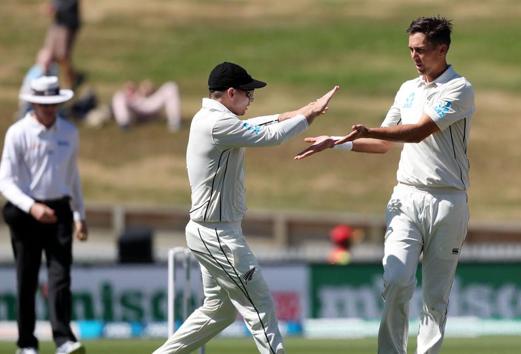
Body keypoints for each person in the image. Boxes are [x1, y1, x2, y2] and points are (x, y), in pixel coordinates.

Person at [295, 16, 475, 354]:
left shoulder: (459, 88)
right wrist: (337, 141)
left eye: (421, 50)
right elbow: (382, 144)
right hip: (406, 195)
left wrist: (369, 131)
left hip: (448, 200)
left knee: (436, 297)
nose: (414, 56)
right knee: (396, 281)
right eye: (410, 49)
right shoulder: (407, 90)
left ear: (443, 48)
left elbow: (419, 131)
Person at [152, 62, 338, 354]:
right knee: (260, 307)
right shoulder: (217, 123)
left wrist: (302, 110)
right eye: (248, 93)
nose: (251, 99)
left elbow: (258, 125)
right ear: (230, 93)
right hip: (217, 235)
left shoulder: (211, 118)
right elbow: (269, 136)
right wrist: (311, 114)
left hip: (209, 231)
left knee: (220, 311)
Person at [0, 76, 89, 354]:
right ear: (33, 103)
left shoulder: (68, 132)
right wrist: (32, 207)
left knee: (60, 276)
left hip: (60, 208)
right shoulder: (18, 133)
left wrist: (79, 213)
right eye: (44, 104)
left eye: (54, 104)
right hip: (26, 212)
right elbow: (5, 181)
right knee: (27, 278)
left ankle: (64, 339)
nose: (50, 109)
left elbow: (72, 176)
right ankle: (26, 343)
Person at [111, 80, 182, 132]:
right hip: (136, 102)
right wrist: (132, 90)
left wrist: (150, 88)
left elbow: (150, 86)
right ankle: (124, 124)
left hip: (151, 101)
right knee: (119, 96)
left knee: (171, 87)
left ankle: (174, 123)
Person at [43, 0, 82, 89]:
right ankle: (49, 83)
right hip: (58, 21)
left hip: (68, 23)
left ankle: (71, 80)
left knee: (62, 55)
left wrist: (56, 6)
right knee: (49, 55)